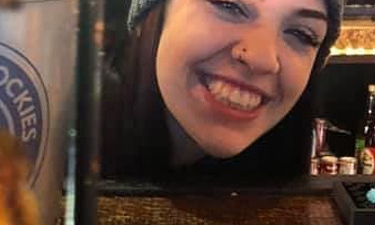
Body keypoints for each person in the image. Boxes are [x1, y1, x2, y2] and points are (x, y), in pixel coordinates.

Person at [102, 0, 344, 182]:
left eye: (301, 34)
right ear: (154, 14)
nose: (263, 59)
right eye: (228, 5)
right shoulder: (69, 149)